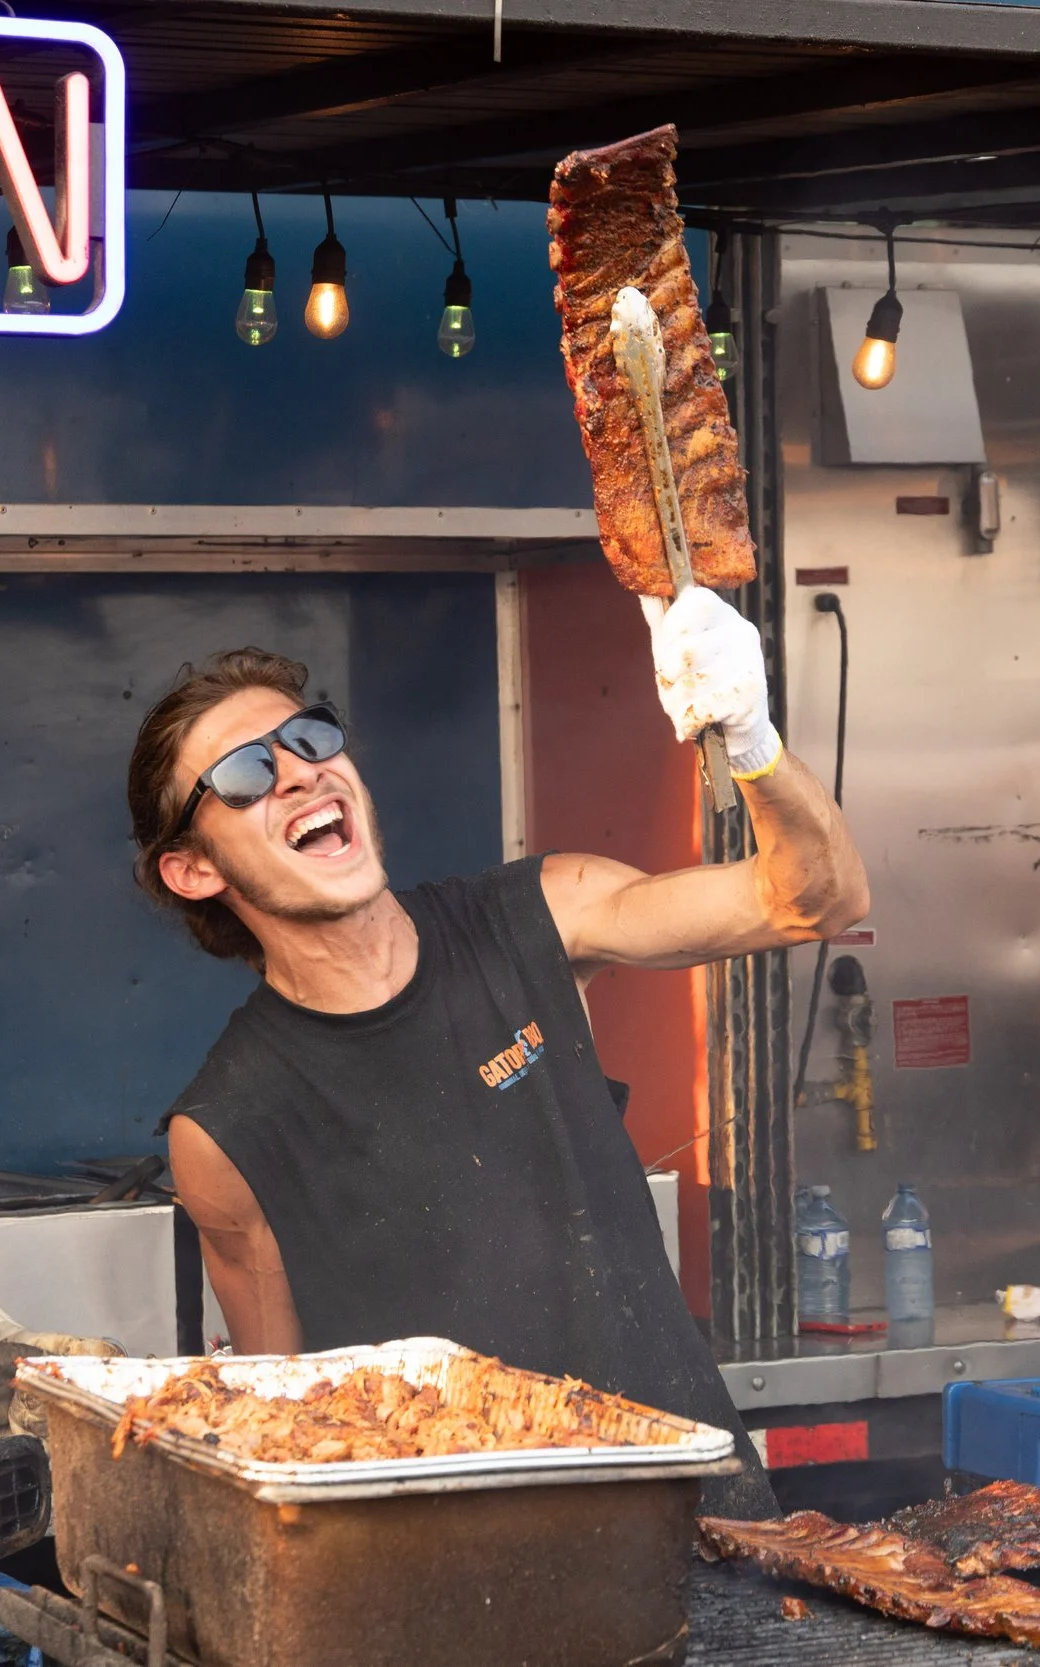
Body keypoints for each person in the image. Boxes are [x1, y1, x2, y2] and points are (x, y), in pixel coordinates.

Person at [132, 591, 868, 1517]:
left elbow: (812, 901)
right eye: (244, 773)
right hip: (474, 1604)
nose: (297, 774)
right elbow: (282, 1440)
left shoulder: (537, 919)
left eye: (311, 739)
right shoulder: (227, 1129)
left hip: (712, 1537)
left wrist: (754, 741)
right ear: (196, 869)